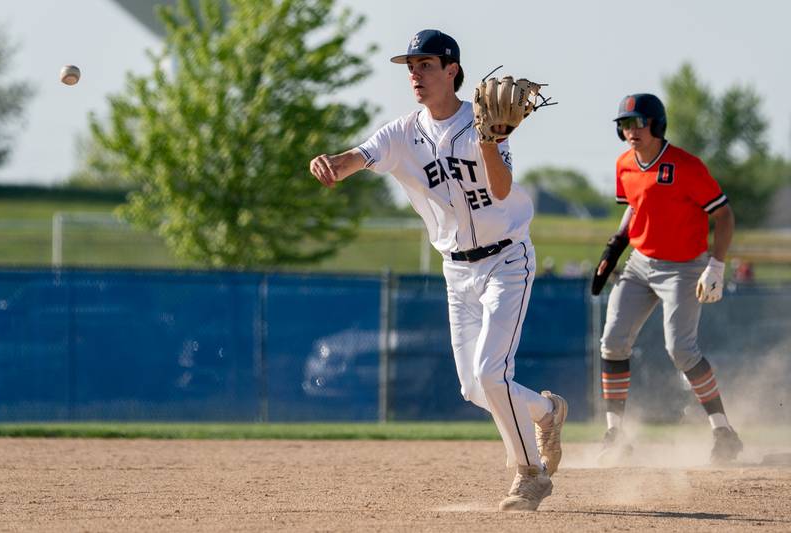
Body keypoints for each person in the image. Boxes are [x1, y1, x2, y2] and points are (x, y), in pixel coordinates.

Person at [309, 29, 567, 511]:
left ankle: (530, 473)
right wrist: (330, 165)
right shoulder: (402, 133)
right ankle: (547, 411)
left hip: (507, 259)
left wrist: (493, 141)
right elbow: (358, 158)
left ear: (452, 71)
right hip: (457, 270)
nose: (414, 74)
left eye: (425, 64)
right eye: (411, 66)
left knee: (493, 373)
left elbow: (503, 190)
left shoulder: (484, 121)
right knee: (474, 388)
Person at [593, 93, 742, 464]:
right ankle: (616, 434)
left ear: (657, 125)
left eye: (638, 122)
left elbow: (723, 215)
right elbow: (633, 208)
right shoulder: (624, 164)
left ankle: (724, 431)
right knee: (612, 341)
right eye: (624, 124)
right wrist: (614, 247)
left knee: (681, 350)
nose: (631, 131)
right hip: (641, 262)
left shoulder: (687, 166)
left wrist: (716, 265)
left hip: (685, 266)